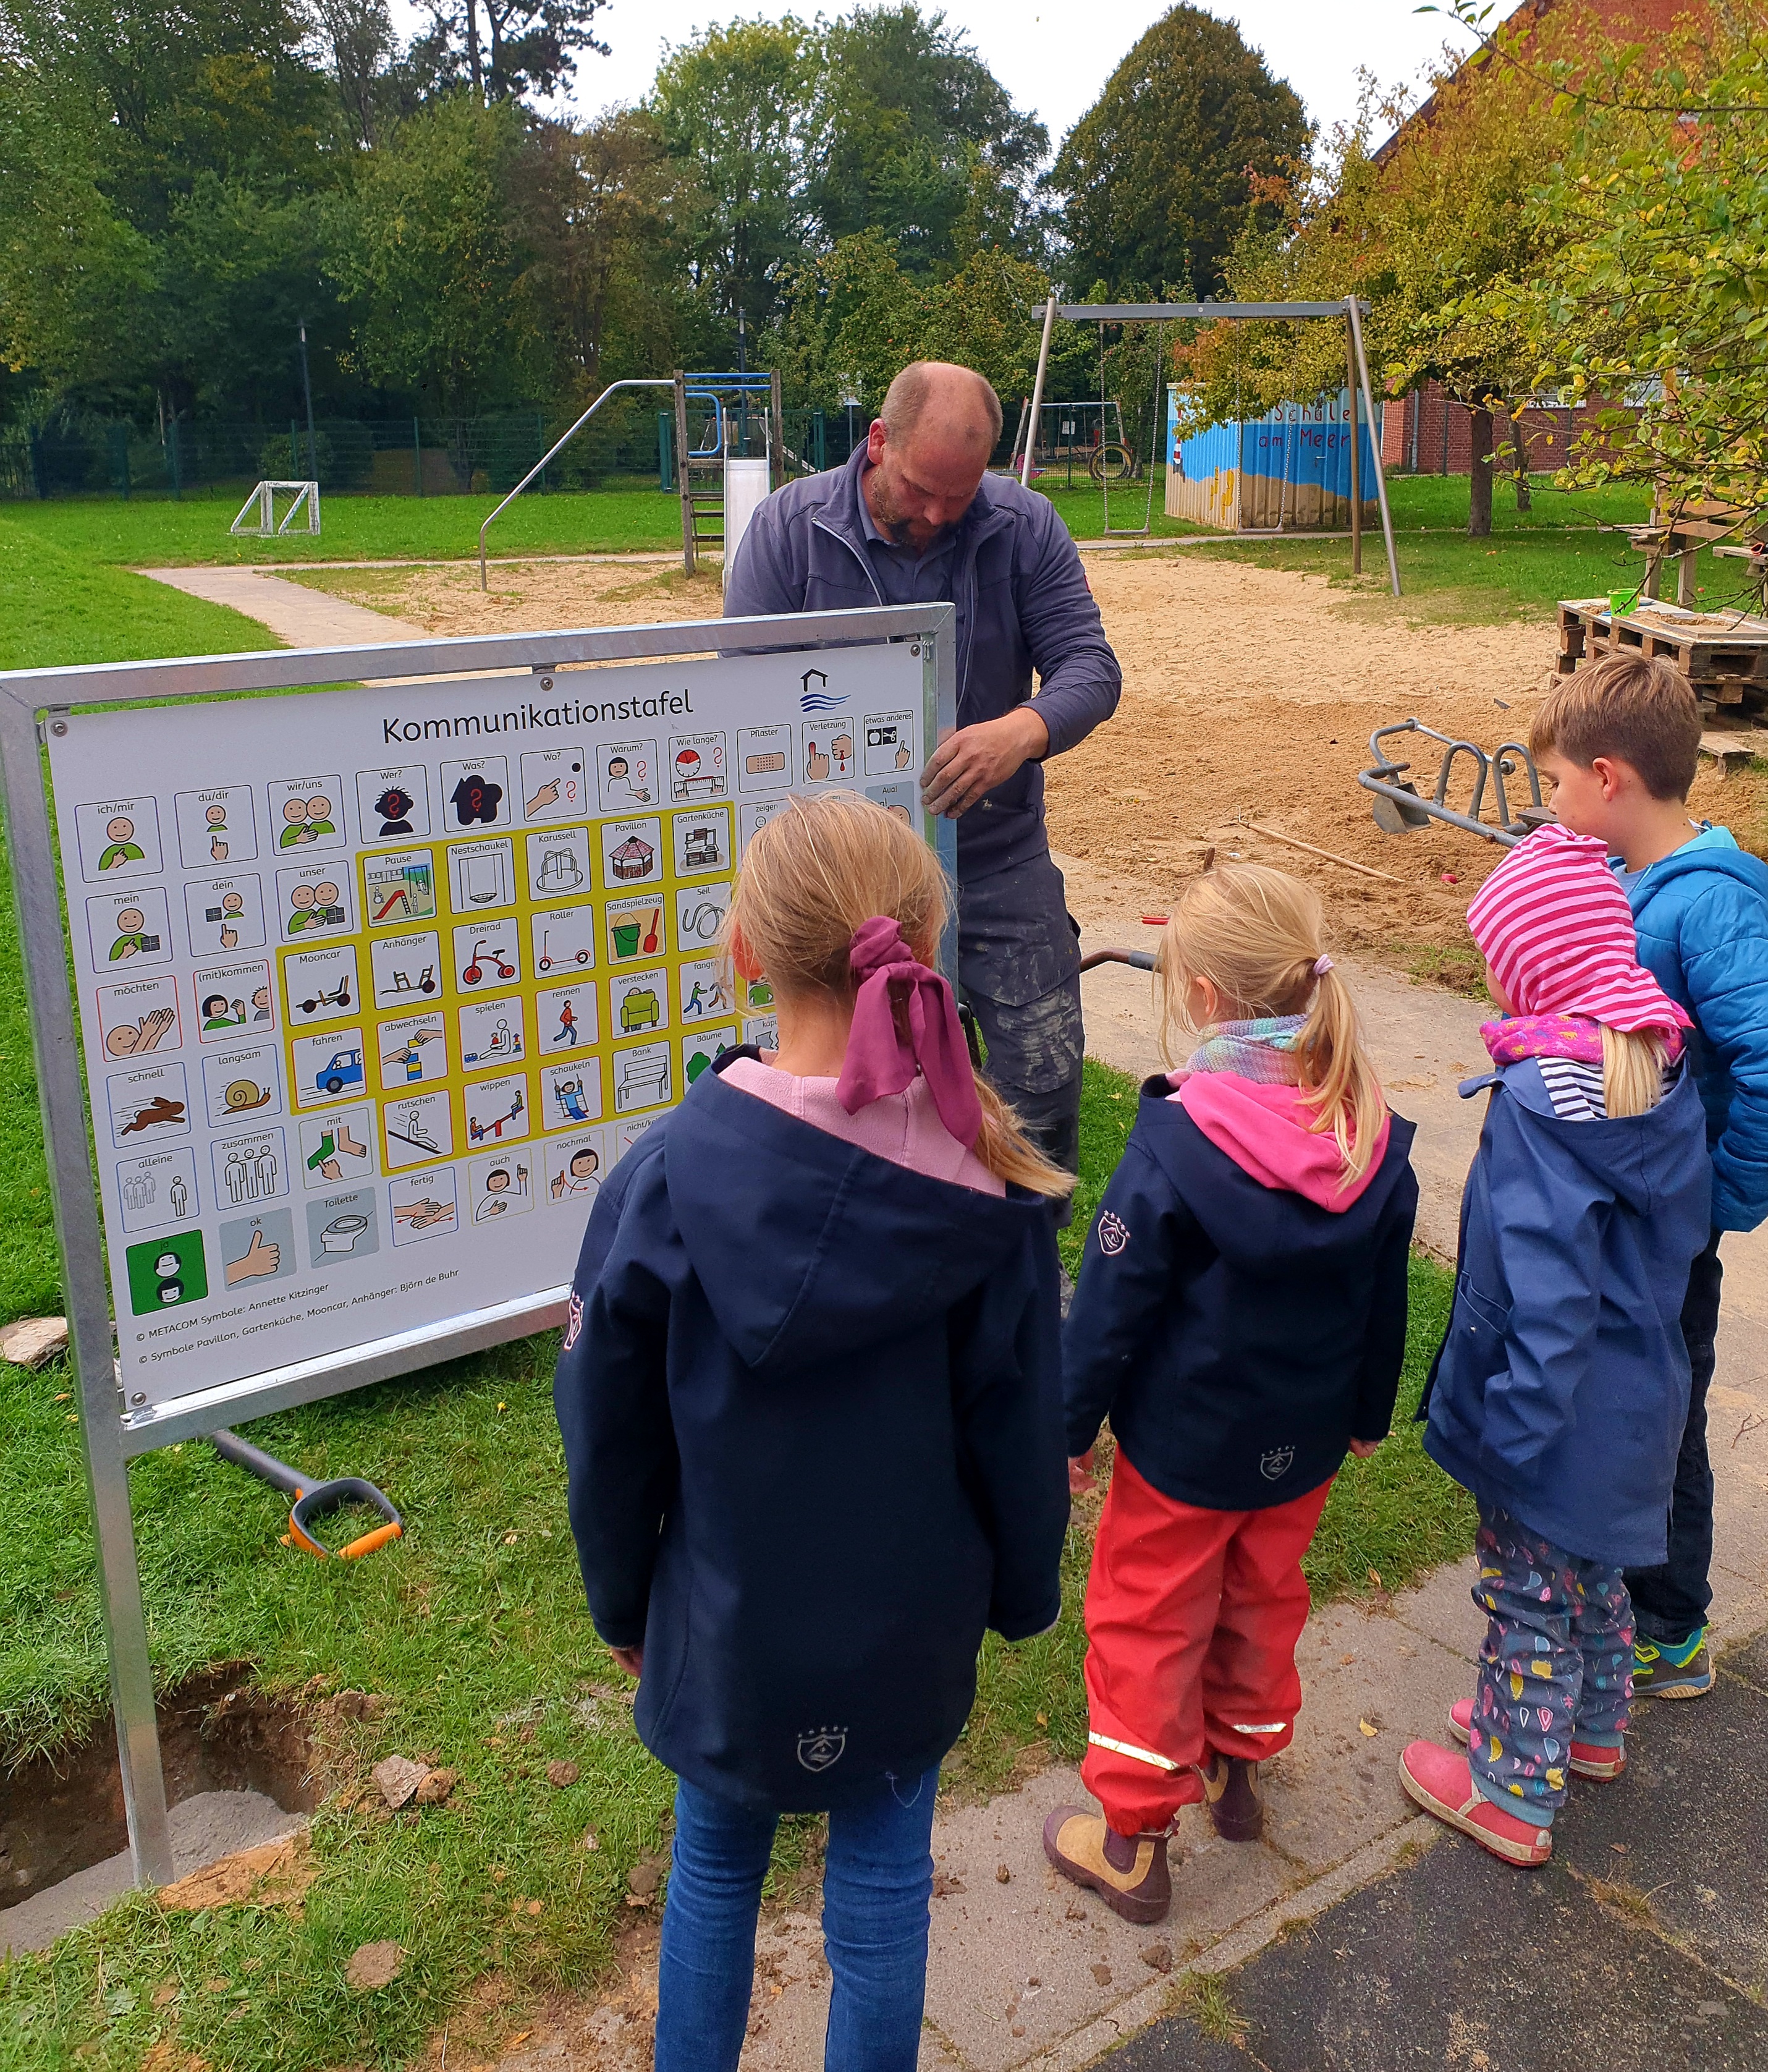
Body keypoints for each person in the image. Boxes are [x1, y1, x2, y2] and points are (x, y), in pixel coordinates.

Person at [553, 791, 1071, 2072]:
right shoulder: (990, 1187)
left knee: (716, 1865)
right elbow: (1021, 1425)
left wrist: (624, 1601)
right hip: (907, 1630)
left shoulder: (664, 1179)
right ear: (924, 952)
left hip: (726, 1631)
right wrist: (1019, 1595)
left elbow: (604, 1426)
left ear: (744, 952)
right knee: (886, 1882)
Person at [1044, 865, 1418, 1924]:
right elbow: (1383, 1298)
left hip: (1184, 1448)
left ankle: (1129, 1836)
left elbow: (1109, 1311)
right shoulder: (1370, 1133)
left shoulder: (1177, 1140)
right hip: (1298, 1443)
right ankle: (1236, 1775)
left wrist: (1068, 1431)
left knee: (1149, 1619)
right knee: (1260, 1600)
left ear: (1203, 995)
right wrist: (1364, 1418)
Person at [724, 360, 1122, 1183]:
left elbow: (1091, 667)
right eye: (919, 491)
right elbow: (739, 693)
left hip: (993, 855)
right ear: (878, 442)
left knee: (1039, 1075)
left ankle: (1029, 1266)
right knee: (845, 1087)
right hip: (842, 879)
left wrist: (1020, 731)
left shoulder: (1025, 526)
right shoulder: (787, 532)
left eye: (961, 495)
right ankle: (876, 1252)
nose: (939, 514)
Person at [1400, 823, 1711, 1866]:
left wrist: (1512, 1438)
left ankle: (1509, 1793)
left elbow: (1547, 1299)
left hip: (1558, 1414)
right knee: (1596, 1579)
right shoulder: (1658, 1073)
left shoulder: (1539, 1107)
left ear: (1530, 970)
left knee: (1528, 1594)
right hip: (1642, 1401)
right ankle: (1590, 1731)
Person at [1526, 654, 1768, 1701]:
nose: (1548, 806)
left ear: (1608, 778)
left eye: (1553, 786)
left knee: (1662, 1410)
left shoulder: (1702, 907)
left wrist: (1720, 1198)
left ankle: (1667, 1624)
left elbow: (1763, 1054)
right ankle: (1616, 1592)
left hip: (1675, 1223)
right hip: (1632, 1213)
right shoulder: (1624, 886)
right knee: (1626, 1393)